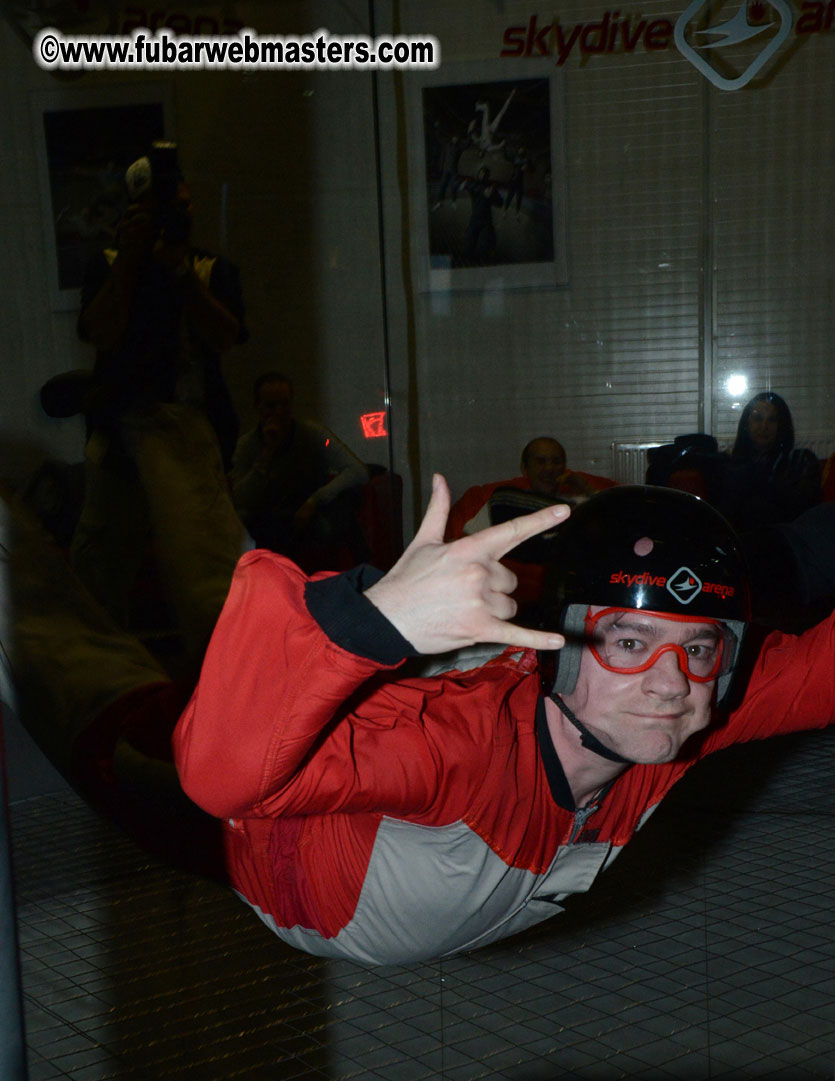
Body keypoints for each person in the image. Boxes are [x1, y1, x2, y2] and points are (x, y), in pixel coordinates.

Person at [172, 481, 835, 967]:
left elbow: (819, 673)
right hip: (271, 865)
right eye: (628, 644)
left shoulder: (677, 715)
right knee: (164, 688)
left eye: (696, 650)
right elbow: (219, 782)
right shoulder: (452, 746)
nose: (669, 684)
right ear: (566, 650)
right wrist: (366, 621)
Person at [70, 142, 247, 657]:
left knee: (209, 585)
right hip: (121, 447)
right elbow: (101, 332)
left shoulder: (208, 268)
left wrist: (179, 272)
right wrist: (130, 258)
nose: (182, 214)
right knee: (98, 582)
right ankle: (115, 693)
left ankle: (219, 688)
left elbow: (226, 336)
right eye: (169, 209)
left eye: (185, 206)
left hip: (191, 442)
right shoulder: (110, 263)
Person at [230, 373, 369, 567]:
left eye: (285, 405)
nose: (279, 412)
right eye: (271, 406)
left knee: (344, 508)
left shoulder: (312, 435)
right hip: (266, 521)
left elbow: (358, 471)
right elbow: (239, 499)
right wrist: (266, 456)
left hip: (308, 519)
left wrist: (315, 500)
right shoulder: (247, 446)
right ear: (258, 407)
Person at [446, 437, 615, 541]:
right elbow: (465, 541)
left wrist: (585, 488)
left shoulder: (578, 502)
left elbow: (619, 518)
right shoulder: (504, 501)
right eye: (540, 461)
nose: (549, 469)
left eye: (556, 462)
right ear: (525, 468)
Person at [722, 391, 821, 529]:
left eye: (772, 420)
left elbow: (802, 515)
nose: (764, 427)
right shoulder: (729, 467)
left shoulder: (800, 462)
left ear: (781, 425)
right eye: (757, 418)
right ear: (747, 424)